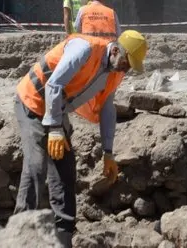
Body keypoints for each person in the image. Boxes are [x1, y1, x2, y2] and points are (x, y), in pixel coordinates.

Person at [13, 30, 148, 247]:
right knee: (36, 167)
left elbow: (107, 109)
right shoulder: (84, 49)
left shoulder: (114, 71)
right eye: (126, 62)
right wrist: (56, 128)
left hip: (57, 108)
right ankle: (20, 232)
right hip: (32, 101)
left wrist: (108, 152)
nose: (126, 69)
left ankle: (63, 233)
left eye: (130, 66)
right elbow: (53, 85)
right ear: (115, 50)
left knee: (65, 168)